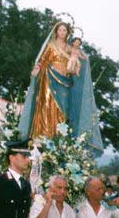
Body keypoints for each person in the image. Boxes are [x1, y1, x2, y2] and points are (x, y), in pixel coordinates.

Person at [18, 21, 103, 153]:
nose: (62, 33)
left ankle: (59, 138)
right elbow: (42, 62)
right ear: (56, 31)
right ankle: (43, 136)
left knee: (63, 109)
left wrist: (80, 54)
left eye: (64, 30)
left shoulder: (69, 48)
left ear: (68, 33)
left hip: (65, 82)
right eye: (60, 30)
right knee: (46, 106)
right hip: (49, 80)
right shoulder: (50, 46)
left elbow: (82, 59)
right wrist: (36, 73)